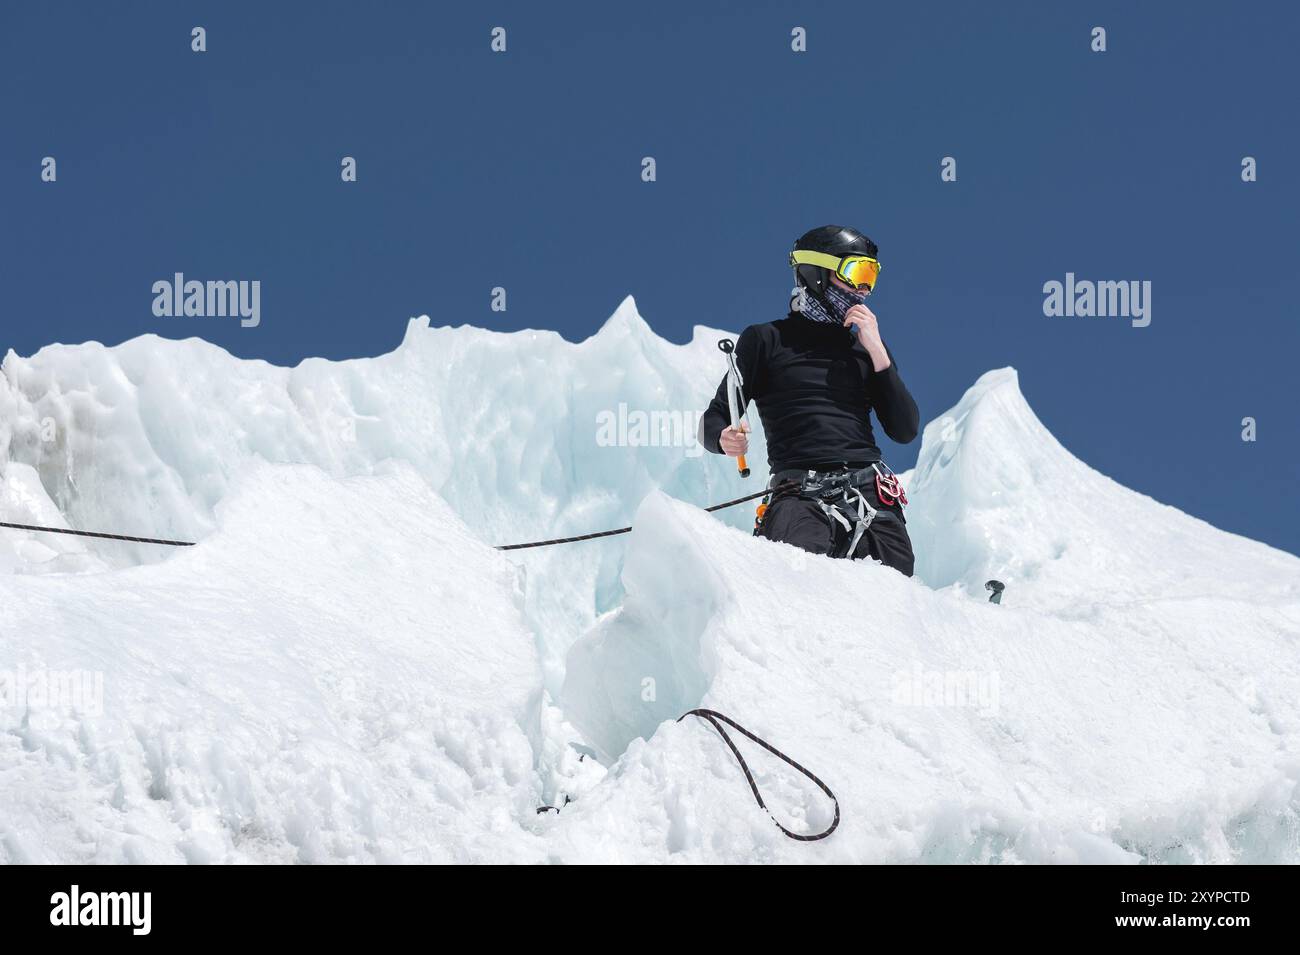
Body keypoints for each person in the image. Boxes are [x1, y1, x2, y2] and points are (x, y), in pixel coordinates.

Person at [699, 225, 920, 575]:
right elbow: (716, 415)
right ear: (817, 274)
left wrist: (877, 351)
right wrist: (722, 437)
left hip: (871, 494)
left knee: (893, 602)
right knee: (794, 585)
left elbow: (905, 429)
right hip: (798, 495)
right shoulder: (766, 340)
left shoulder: (866, 348)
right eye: (856, 272)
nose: (863, 289)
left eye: (871, 276)